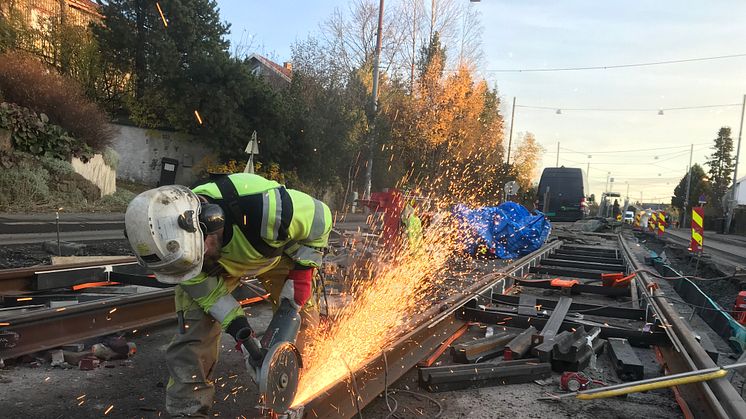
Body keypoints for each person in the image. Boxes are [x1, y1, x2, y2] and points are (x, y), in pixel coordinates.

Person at [124, 173, 332, 417]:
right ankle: (188, 408)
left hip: (275, 256)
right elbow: (212, 298)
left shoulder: (265, 208)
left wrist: (303, 273)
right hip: (221, 266)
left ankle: (296, 393)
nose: (196, 265)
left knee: (304, 321)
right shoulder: (182, 260)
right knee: (192, 334)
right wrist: (244, 337)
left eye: (200, 254)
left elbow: (321, 217)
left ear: (210, 221)